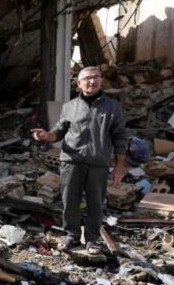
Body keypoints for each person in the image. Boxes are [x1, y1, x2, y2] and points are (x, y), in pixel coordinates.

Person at [30, 66, 127, 255]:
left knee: (95, 203)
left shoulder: (112, 107)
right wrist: (45, 136)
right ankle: (71, 236)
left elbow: (120, 138)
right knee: (70, 202)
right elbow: (58, 132)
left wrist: (118, 167)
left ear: (101, 80)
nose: (92, 81)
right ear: (78, 83)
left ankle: (92, 240)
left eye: (96, 77)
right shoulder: (70, 107)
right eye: (88, 78)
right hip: (71, 162)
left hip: (98, 163)